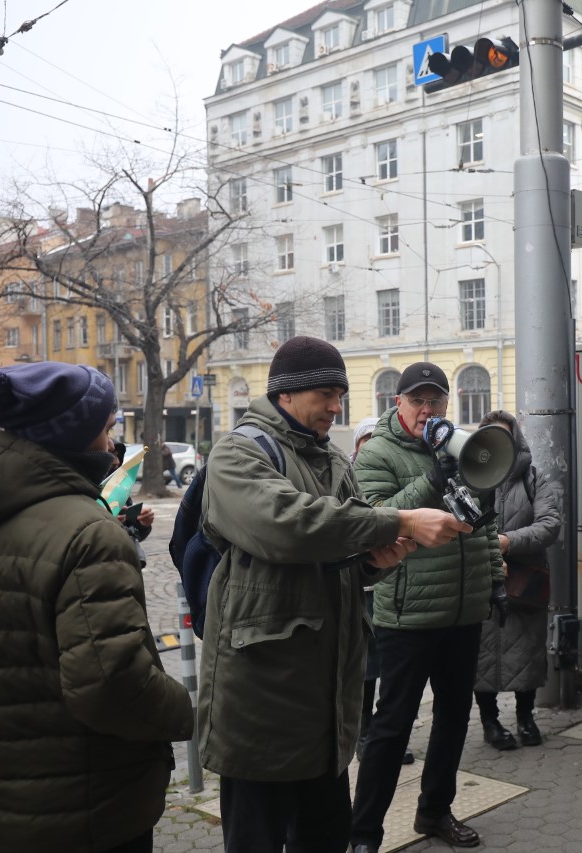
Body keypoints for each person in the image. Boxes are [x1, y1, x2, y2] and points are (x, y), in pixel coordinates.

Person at [195, 339, 468, 853]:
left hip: (326, 712)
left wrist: (373, 560)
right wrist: (401, 519)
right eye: (326, 394)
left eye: (340, 394)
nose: (337, 407)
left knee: (325, 839)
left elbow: (344, 548)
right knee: (258, 840)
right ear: (286, 394)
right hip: (263, 705)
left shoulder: (332, 458)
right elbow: (289, 527)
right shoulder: (238, 452)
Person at [0, 362, 196, 852]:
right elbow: (113, 687)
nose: (112, 445)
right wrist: (188, 713)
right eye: (108, 429)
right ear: (75, 434)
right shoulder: (89, 533)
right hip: (94, 810)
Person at [350, 361, 506, 853]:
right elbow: (378, 520)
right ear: (397, 403)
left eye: (436, 400)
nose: (428, 410)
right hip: (409, 614)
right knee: (392, 727)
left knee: (455, 716)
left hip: (462, 610)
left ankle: (435, 811)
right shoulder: (376, 452)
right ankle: (363, 834)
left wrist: (494, 583)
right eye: (418, 400)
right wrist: (435, 477)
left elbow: (479, 526)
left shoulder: (460, 445)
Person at [473, 410, 562, 751]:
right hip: (480, 583)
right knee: (481, 656)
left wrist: (508, 541)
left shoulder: (533, 479)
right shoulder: (469, 476)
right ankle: (490, 721)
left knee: (527, 651)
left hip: (523, 584)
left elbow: (550, 524)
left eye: (504, 435)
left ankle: (526, 717)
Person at [351, 416, 415, 767]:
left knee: (388, 666)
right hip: (360, 588)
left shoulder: (388, 474)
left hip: (389, 585)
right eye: (366, 443)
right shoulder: (346, 479)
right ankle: (362, 732)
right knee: (365, 667)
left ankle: (382, 732)